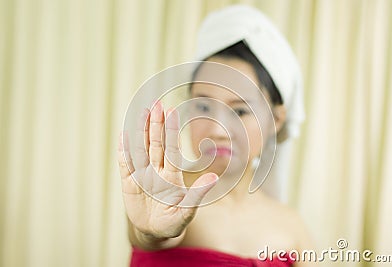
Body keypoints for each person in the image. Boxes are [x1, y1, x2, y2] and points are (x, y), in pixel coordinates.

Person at [118, 5, 317, 267]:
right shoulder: (164, 199)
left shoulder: (292, 229)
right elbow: (151, 235)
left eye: (240, 111)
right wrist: (151, 232)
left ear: (276, 120)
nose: (217, 130)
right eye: (203, 107)